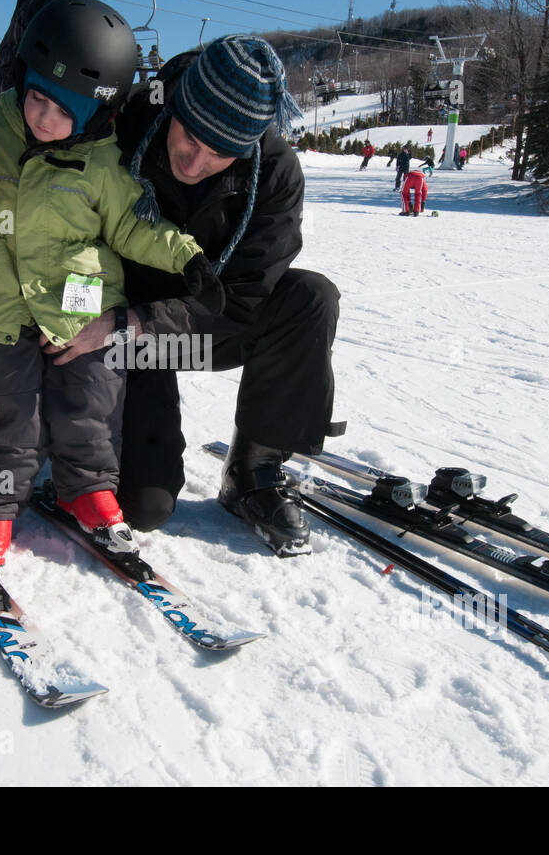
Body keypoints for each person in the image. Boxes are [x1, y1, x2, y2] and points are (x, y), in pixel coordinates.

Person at [0, 0, 221, 567]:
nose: (44, 118)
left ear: (95, 116)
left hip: (80, 303)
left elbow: (134, 226)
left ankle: (86, 488)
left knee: (94, 396)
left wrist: (188, 259)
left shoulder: (103, 166)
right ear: (21, 82)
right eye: (36, 97)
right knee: (6, 410)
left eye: (64, 111)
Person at [50, 34, 341, 557]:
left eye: (219, 153)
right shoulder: (132, 114)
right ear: (177, 106)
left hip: (194, 328)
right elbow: (60, 209)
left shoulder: (275, 172)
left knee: (310, 297)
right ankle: (68, 436)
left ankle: (254, 470)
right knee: (146, 505)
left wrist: (144, 322)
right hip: (122, 323)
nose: (193, 161)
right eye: (189, 137)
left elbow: (249, 297)